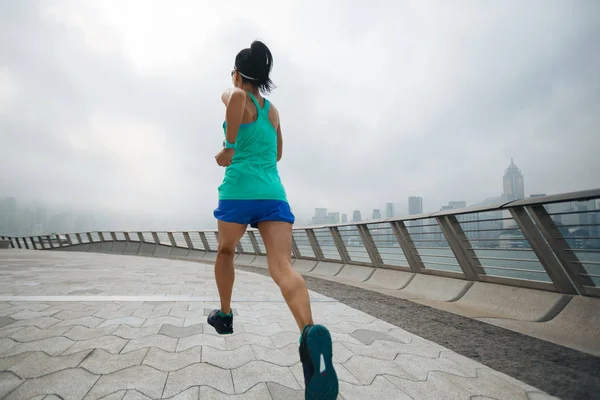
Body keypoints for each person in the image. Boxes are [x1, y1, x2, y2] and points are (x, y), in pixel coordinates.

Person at [208, 40, 339, 399]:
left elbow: (233, 98)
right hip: (272, 194)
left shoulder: (236, 95)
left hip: (238, 192)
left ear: (237, 73)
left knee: (226, 252)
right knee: (282, 267)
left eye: (233, 74)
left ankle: (225, 314)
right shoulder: (273, 111)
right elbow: (278, 153)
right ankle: (309, 338)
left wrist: (230, 145)